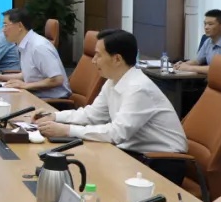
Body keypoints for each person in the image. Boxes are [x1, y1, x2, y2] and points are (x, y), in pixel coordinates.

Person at [35, 29, 188, 182]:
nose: (94, 60)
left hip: (162, 163)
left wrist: (67, 130)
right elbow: (92, 115)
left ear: (117, 59)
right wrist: (54, 116)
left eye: (98, 55)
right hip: (134, 153)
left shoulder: (139, 88)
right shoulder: (113, 80)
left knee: (90, 174)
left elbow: (116, 134)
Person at [0, 8, 70, 99]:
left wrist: (25, 85)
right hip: (35, 94)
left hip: (52, 101)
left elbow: (57, 79)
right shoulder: (24, 44)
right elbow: (29, 75)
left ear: (19, 26)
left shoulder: (38, 47)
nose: (3, 30)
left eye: (5, 25)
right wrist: (0, 77)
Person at [176, 9, 221, 74]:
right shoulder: (208, 41)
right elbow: (197, 61)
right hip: (214, 79)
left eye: (210, 24)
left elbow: (219, 69)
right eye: (205, 24)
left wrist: (188, 68)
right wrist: (182, 64)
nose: (206, 27)